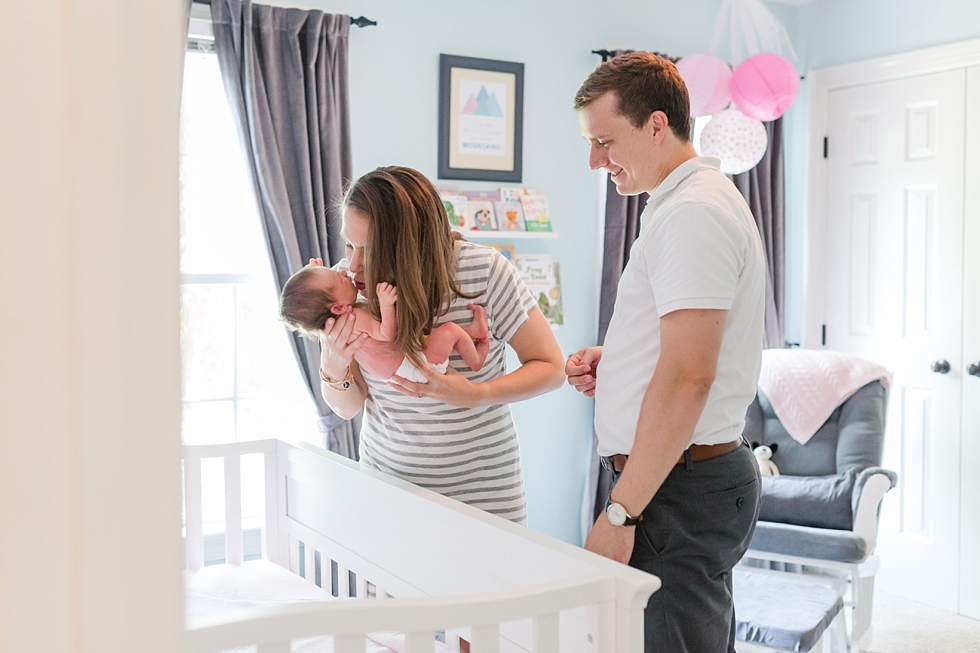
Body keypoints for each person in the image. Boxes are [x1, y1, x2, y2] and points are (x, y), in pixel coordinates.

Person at [567, 52, 766, 652]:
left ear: (657, 125)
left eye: (606, 140)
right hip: (674, 477)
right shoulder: (681, 204)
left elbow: (688, 378)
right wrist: (623, 360)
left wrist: (622, 514)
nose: (596, 159)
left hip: (674, 489)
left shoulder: (693, 214)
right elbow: (687, 348)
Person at [315, 166, 566, 525]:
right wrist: (334, 365)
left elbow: (551, 368)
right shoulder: (347, 288)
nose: (352, 265)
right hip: (389, 493)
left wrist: (476, 394)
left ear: (410, 246)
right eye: (348, 244)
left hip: (484, 496)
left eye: (369, 252)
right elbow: (347, 408)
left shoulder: (484, 270)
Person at [279, 267, 491, 382]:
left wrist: (318, 273)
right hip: (417, 365)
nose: (344, 271)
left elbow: (315, 297)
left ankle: (472, 331)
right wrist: (386, 304)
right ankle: (476, 360)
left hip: (406, 364)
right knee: (449, 331)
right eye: (339, 278)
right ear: (337, 308)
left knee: (434, 336)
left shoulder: (333, 325)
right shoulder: (354, 318)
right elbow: (386, 334)